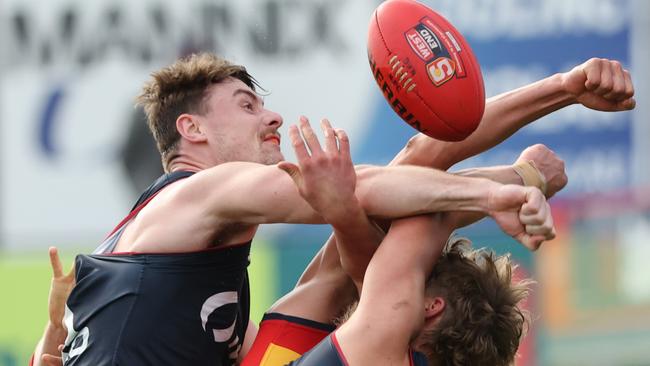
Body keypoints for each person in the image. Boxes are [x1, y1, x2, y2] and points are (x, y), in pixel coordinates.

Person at [32, 53, 557, 366]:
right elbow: (374, 191)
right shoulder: (198, 193)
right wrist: (504, 188)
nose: (273, 117)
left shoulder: (185, 254)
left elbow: (392, 197)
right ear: (191, 130)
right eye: (247, 105)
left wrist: (515, 181)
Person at [255, 119, 548, 365]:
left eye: (420, 276)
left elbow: (430, 207)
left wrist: (526, 177)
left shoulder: (380, 334)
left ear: (430, 307)